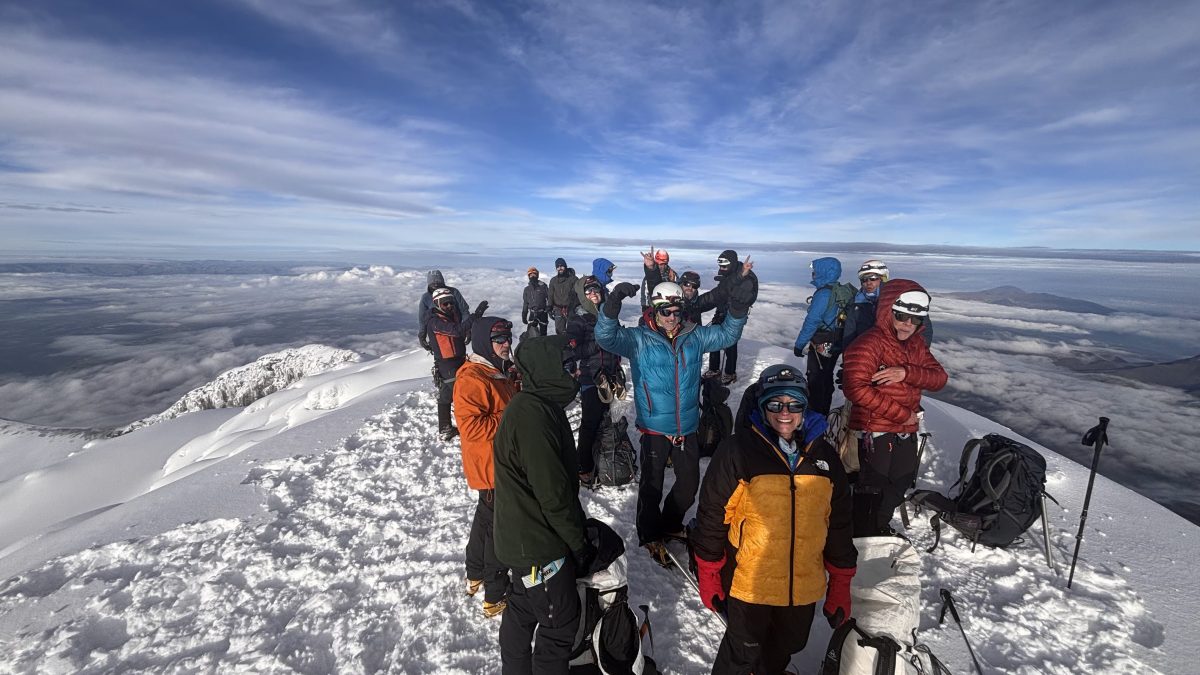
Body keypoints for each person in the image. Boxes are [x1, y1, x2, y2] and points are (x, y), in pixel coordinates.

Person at [692, 365, 856, 674]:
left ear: (804, 407)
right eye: (775, 404)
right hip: (749, 582)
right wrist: (709, 571)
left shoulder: (824, 458)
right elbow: (713, 514)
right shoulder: (738, 450)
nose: (785, 413)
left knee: (788, 645)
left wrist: (841, 581)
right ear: (762, 405)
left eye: (794, 404)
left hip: (801, 586)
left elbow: (838, 524)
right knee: (743, 652)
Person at [595, 270, 757, 565]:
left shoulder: (694, 336)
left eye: (676, 311)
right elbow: (605, 336)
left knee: (689, 486)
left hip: (687, 425)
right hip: (655, 426)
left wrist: (738, 308)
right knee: (652, 487)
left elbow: (727, 335)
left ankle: (670, 524)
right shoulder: (638, 339)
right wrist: (612, 303)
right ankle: (650, 534)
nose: (671, 317)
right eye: (665, 311)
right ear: (654, 310)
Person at [493, 335, 595, 674]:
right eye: (568, 367)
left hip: (523, 540)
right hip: (538, 546)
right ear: (547, 370)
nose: (576, 373)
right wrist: (578, 543)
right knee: (558, 623)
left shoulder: (535, 405)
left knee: (523, 609)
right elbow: (553, 496)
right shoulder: (533, 417)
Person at [842, 280, 947, 537]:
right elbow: (855, 389)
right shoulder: (868, 343)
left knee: (900, 481)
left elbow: (939, 379)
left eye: (916, 319)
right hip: (874, 428)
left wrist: (906, 373)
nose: (908, 324)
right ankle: (863, 533)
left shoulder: (916, 345)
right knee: (873, 486)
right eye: (901, 316)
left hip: (905, 428)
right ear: (888, 311)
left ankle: (879, 527)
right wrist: (903, 415)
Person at [453, 316, 519, 618]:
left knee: (484, 519)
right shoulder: (473, 378)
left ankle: (475, 573)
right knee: (498, 530)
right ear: (484, 343)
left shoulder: (493, 371)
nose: (506, 344)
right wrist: (513, 415)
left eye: (508, 338)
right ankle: (495, 594)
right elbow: (471, 428)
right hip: (492, 468)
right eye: (499, 339)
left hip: (493, 464)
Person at [565, 275, 623, 486]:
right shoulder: (579, 319)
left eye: (596, 289)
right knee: (590, 422)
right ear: (583, 295)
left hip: (612, 374)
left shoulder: (608, 314)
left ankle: (605, 457)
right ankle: (584, 466)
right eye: (588, 291)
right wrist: (598, 344)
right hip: (591, 377)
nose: (593, 294)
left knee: (608, 419)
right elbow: (572, 350)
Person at [426, 287, 488, 440]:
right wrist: (476, 315)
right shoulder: (435, 322)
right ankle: (468, 426)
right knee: (462, 395)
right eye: (445, 303)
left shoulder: (449, 316)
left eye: (451, 303)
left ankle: (446, 428)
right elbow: (456, 331)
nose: (449, 306)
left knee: (447, 395)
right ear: (437, 304)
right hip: (448, 364)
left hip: (456, 360)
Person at [792, 256, 850, 416]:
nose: (813, 275)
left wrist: (799, 344)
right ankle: (823, 411)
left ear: (823, 272)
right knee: (826, 375)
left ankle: (815, 416)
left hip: (822, 341)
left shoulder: (824, 294)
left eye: (815, 272)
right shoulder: (839, 291)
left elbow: (812, 321)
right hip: (837, 339)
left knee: (816, 378)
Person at [702, 250, 753, 385]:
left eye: (724, 265)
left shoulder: (745, 276)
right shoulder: (728, 274)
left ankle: (730, 372)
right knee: (714, 339)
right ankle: (714, 369)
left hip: (733, 315)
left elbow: (746, 297)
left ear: (732, 263)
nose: (721, 268)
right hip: (721, 311)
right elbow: (721, 292)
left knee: (730, 343)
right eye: (720, 265)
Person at [840, 259, 889, 352]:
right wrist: (848, 355)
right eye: (864, 279)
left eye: (873, 278)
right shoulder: (856, 304)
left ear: (882, 279)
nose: (868, 282)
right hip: (863, 354)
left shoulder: (893, 302)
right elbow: (849, 334)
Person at [418, 270, 469, 353]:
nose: (436, 285)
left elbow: (464, 311)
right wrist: (422, 335)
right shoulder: (426, 298)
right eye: (432, 283)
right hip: (438, 335)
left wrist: (468, 330)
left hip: (456, 331)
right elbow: (423, 318)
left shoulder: (454, 292)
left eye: (438, 282)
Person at [548, 258, 578, 335]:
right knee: (559, 331)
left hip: (571, 308)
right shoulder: (553, 280)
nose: (560, 268)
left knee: (573, 331)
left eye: (562, 266)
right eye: (558, 267)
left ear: (565, 266)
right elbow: (550, 294)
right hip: (558, 308)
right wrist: (549, 307)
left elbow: (577, 294)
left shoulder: (573, 279)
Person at [522, 267, 550, 338]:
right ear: (528, 276)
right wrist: (524, 315)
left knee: (543, 334)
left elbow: (549, 298)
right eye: (530, 275)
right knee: (530, 334)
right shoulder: (527, 289)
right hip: (532, 313)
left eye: (534, 274)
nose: (532, 276)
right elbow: (525, 303)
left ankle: (543, 344)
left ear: (537, 275)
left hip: (543, 313)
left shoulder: (543, 286)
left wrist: (549, 309)